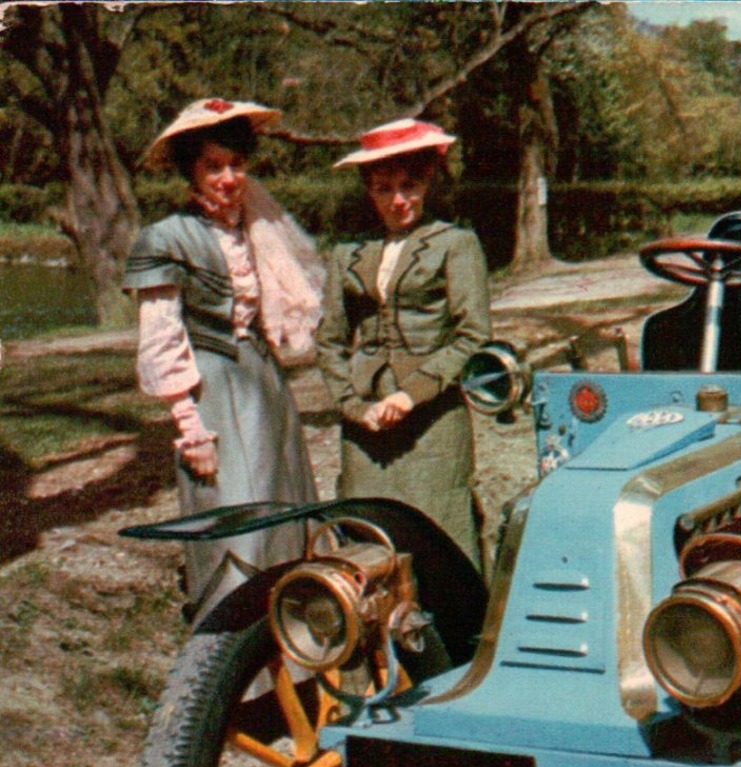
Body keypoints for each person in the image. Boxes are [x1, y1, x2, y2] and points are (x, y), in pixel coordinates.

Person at [124, 98, 324, 619]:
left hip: (267, 388)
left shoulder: (256, 228)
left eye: (236, 165)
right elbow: (162, 337)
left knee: (286, 519)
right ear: (191, 168)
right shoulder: (167, 239)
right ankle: (235, 671)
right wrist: (190, 427)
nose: (228, 178)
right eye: (213, 166)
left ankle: (297, 653)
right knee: (238, 526)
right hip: (212, 392)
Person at [317, 118, 491, 571]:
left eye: (409, 185)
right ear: (368, 190)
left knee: (441, 540)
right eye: (383, 188)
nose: (398, 200)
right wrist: (355, 406)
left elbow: (473, 335)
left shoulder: (456, 244)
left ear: (428, 182)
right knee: (368, 539)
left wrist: (410, 394)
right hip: (367, 429)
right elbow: (330, 340)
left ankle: (457, 639)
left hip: (432, 424)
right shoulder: (347, 253)